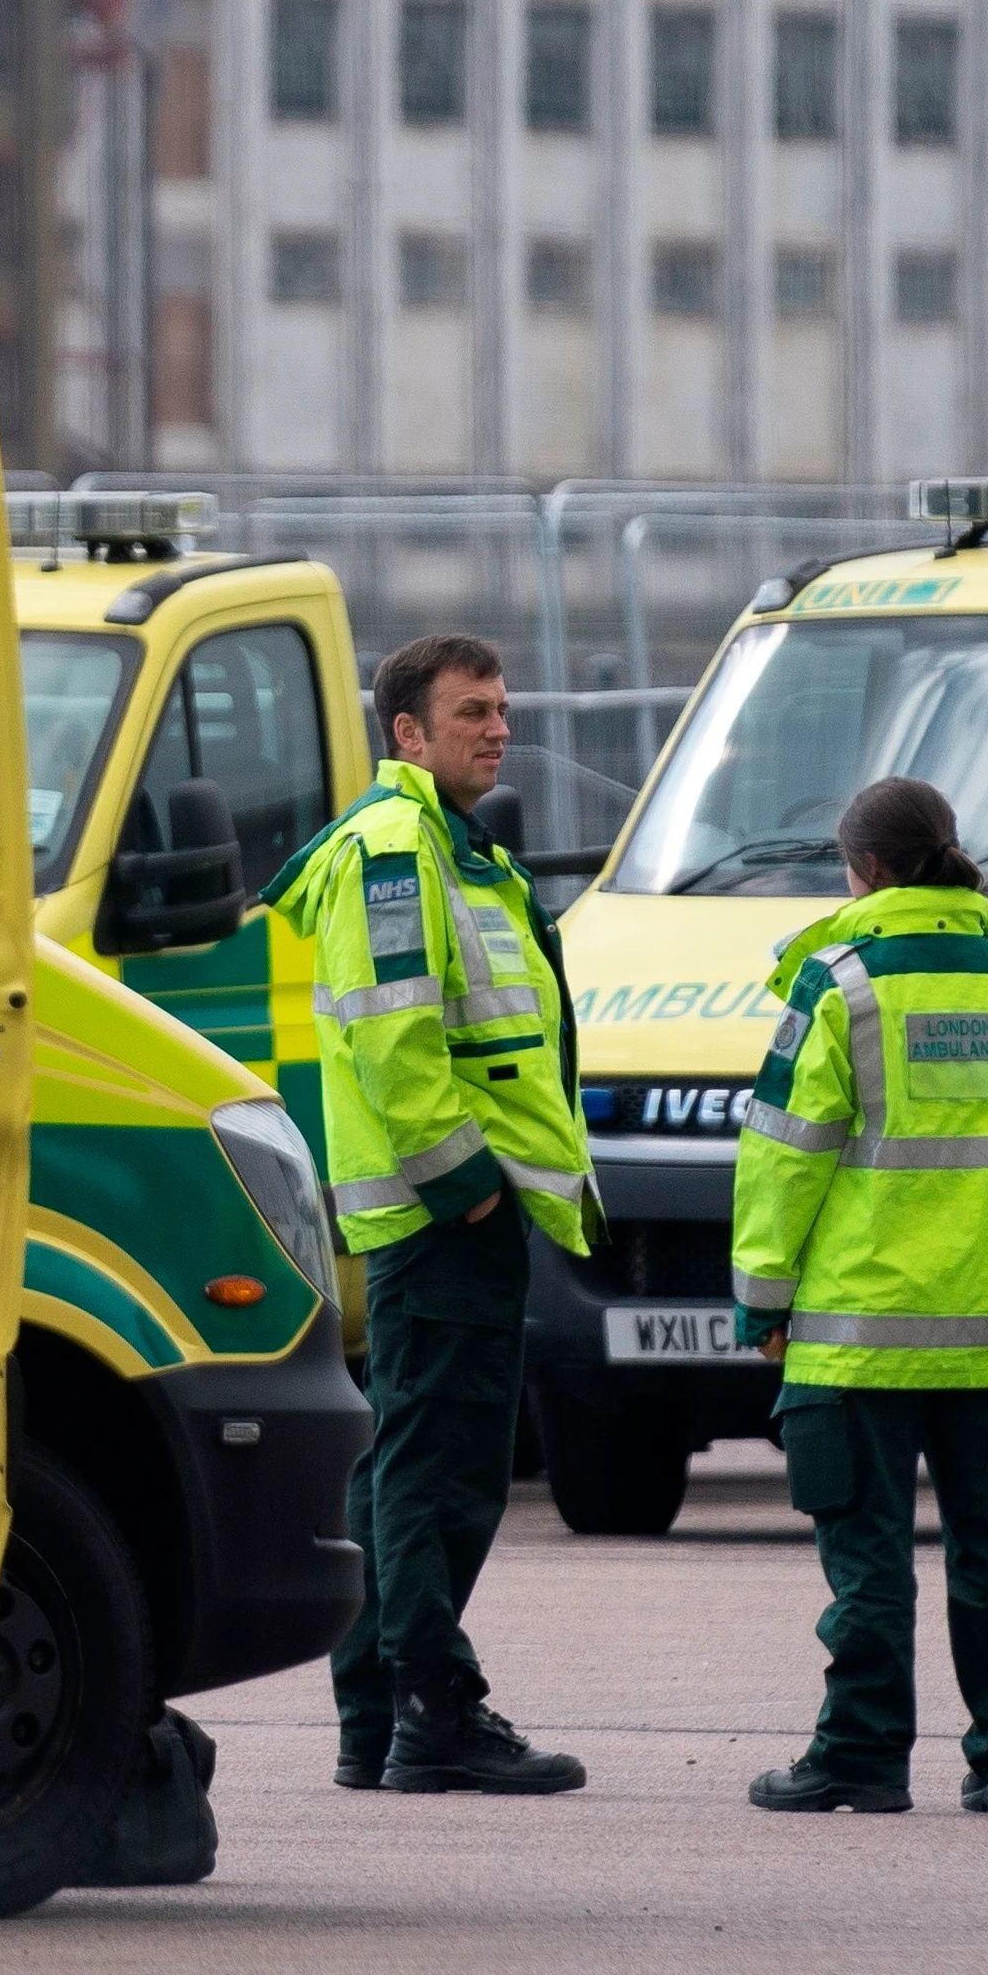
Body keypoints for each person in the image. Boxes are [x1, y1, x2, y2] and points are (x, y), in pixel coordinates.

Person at [265, 634, 594, 1797]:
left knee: (408, 1462)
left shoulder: (445, 848)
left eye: (502, 708)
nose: (496, 728)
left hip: (440, 1213)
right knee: (437, 1474)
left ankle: (377, 1714)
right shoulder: (399, 853)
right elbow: (400, 1045)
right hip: (439, 1212)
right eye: (470, 712)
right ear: (405, 732)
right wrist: (466, 1188)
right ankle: (432, 1711)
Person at [733, 776, 988, 1816]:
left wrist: (762, 1297)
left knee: (869, 1560)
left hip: (856, 1333)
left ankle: (862, 1756)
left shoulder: (839, 987)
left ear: (864, 867)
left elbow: (784, 1158)